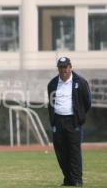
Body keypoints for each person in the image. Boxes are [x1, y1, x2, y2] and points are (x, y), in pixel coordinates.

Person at [47, 57, 91, 187]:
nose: (63, 70)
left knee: (74, 152)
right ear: (58, 69)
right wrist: (53, 120)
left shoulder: (81, 82)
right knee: (60, 152)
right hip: (58, 121)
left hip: (73, 121)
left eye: (66, 67)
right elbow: (50, 103)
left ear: (70, 67)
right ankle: (68, 179)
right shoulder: (53, 83)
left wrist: (79, 116)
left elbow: (87, 102)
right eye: (61, 67)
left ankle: (77, 180)